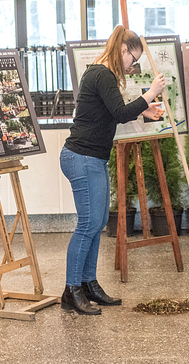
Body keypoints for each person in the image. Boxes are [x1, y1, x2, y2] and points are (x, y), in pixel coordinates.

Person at [60, 26, 166, 315]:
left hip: (91, 158)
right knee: (88, 225)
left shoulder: (100, 73)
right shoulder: (102, 74)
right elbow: (119, 113)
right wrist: (151, 94)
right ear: (122, 50)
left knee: (97, 224)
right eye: (133, 59)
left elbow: (110, 110)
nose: (132, 66)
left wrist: (143, 109)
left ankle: (88, 284)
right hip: (82, 157)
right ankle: (71, 290)